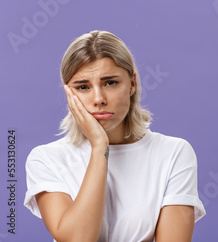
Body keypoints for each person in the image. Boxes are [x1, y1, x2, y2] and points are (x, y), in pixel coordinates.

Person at [24, 30, 206, 242]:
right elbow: (77, 239)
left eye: (110, 82)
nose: (98, 98)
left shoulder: (173, 153)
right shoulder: (46, 159)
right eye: (83, 87)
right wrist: (99, 146)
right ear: (69, 93)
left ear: (132, 84)